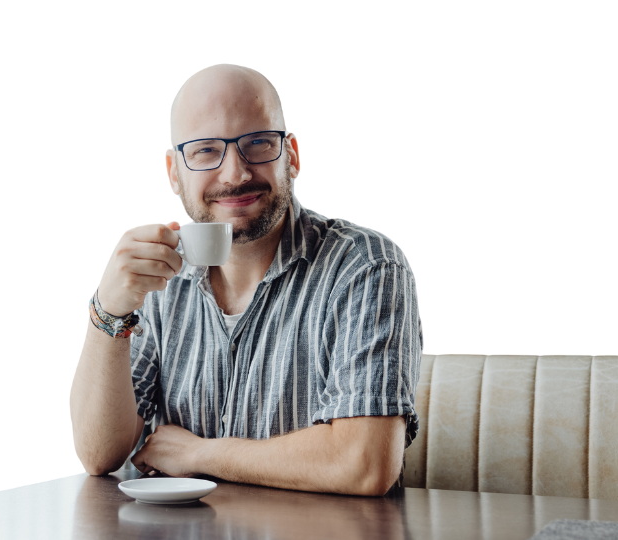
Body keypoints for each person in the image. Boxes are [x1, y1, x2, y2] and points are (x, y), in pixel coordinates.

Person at [70, 63, 423, 497]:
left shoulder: (365, 266)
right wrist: (109, 310)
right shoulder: (156, 279)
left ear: (292, 155)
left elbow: (363, 464)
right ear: (173, 172)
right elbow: (98, 454)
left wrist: (200, 454)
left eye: (258, 143)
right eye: (204, 150)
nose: (235, 174)